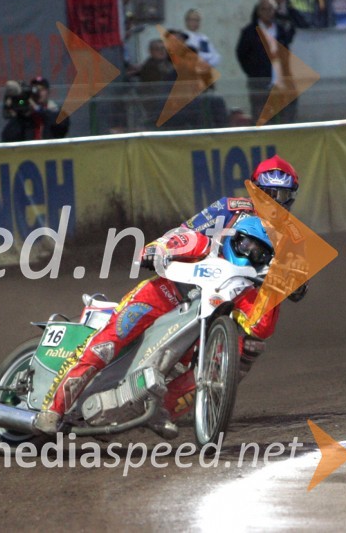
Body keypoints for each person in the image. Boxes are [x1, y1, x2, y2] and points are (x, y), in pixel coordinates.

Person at [33, 155, 302, 434]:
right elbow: (186, 232)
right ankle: (53, 408)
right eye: (267, 193)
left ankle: (163, 408)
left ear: (290, 197)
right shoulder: (230, 208)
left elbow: (290, 283)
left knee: (242, 349)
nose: (273, 201)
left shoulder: (293, 238)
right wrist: (158, 248)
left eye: (280, 195)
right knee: (109, 341)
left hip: (226, 305)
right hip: (174, 288)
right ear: (255, 189)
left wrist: (293, 285)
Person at [236, 0, 297, 124]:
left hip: (281, 85)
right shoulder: (249, 32)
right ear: (258, 11)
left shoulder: (280, 30)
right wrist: (254, 73)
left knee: (284, 121)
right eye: (264, 9)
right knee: (262, 120)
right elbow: (241, 54)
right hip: (260, 85)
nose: (267, 12)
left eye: (270, 9)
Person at [0, 76, 69, 142]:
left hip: (50, 151)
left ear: (48, 92)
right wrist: (17, 117)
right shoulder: (25, 115)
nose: (38, 93)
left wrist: (37, 108)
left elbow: (62, 125)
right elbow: (7, 138)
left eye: (42, 89)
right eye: (36, 89)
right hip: (29, 152)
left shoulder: (55, 110)